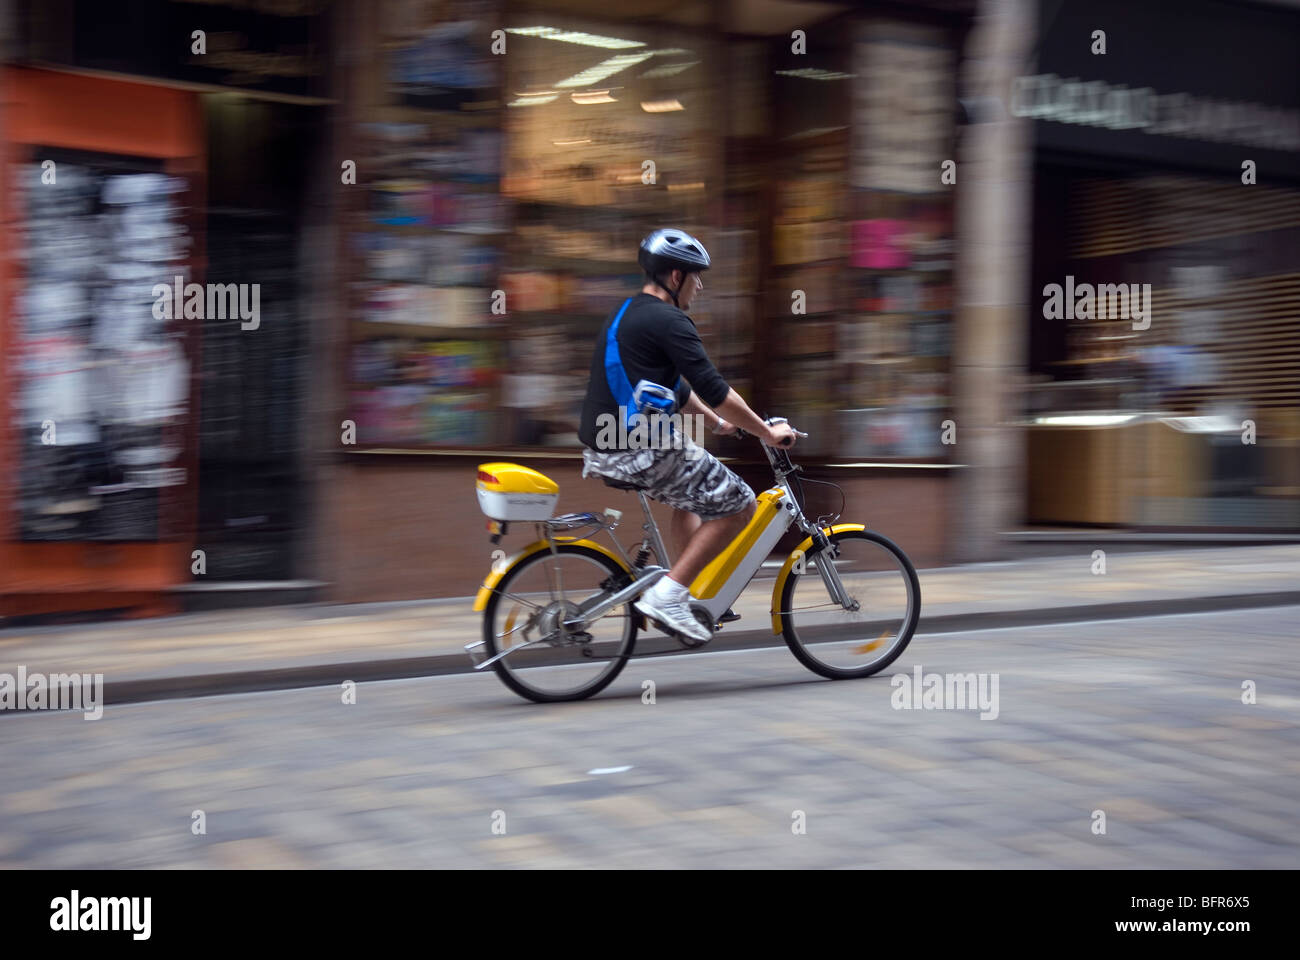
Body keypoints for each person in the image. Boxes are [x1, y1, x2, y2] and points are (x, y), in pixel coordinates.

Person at [577, 228, 797, 643]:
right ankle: (669, 595)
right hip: (638, 447)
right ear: (675, 277)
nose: (700, 286)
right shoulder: (670, 320)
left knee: (693, 495)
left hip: (605, 446)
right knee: (738, 503)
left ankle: (687, 588)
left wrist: (717, 424)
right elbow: (716, 389)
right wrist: (766, 432)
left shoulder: (625, 313)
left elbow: (674, 387)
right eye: (697, 277)